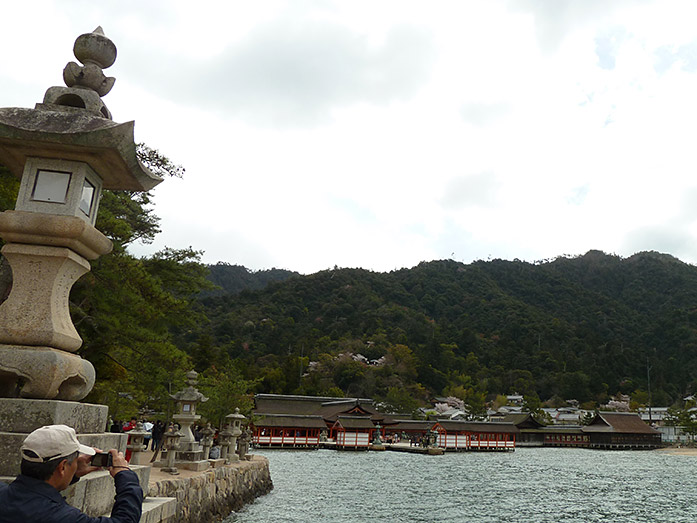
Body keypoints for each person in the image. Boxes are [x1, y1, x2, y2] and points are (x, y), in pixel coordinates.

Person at [0, 424, 143, 522]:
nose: (76, 464)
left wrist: (72, 474)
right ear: (62, 467)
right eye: (75, 460)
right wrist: (125, 475)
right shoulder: (62, 516)